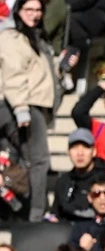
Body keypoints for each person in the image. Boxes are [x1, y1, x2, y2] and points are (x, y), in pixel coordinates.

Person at [0, 0, 56, 221]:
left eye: (38, 10)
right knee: (39, 160)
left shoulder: (33, 37)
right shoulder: (12, 37)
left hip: (27, 104)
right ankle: (35, 214)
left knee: (19, 160)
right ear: (18, 11)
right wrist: (21, 108)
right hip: (21, 106)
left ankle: (16, 210)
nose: (34, 14)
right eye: (29, 9)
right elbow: (13, 74)